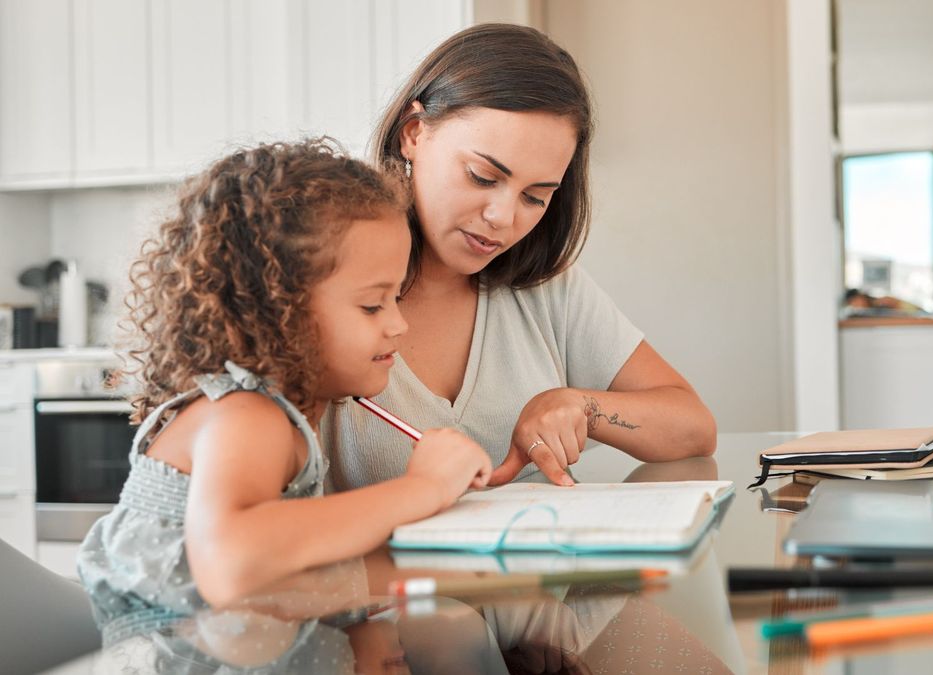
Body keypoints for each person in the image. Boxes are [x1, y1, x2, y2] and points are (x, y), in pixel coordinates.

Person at [76, 139, 493, 640]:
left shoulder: (276, 414)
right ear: (275, 313)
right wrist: (422, 488)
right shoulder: (246, 415)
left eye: (395, 297)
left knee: (452, 625)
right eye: (371, 305)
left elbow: (289, 580)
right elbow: (234, 566)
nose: (399, 324)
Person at [323, 23, 718, 489]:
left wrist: (580, 407)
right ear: (414, 133)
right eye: (482, 177)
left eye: (535, 196)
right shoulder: (326, 276)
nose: (503, 218)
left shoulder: (545, 288)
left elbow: (694, 427)